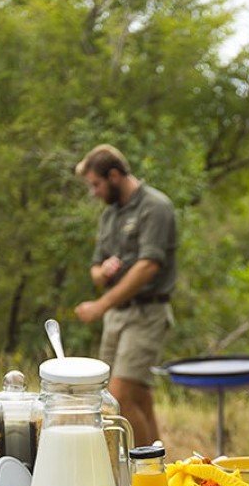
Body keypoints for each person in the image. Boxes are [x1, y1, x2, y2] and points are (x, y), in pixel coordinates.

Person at [74, 144, 176, 447]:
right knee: (135, 399)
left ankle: (142, 475)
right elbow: (94, 267)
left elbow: (147, 267)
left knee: (118, 397)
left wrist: (100, 305)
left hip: (146, 314)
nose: (93, 192)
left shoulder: (155, 207)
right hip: (116, 317)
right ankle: (162, 474)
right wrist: (101, 272)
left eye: (96, 184)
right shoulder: (110, 216)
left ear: (115, 175)